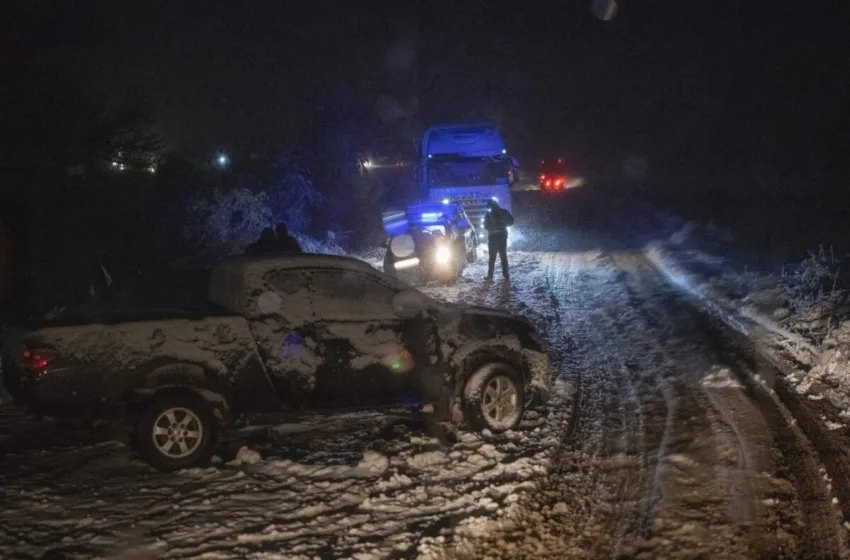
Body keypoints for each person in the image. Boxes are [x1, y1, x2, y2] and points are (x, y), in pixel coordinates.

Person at [483, 198, 514, 281]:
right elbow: (511, 221)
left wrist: (493, 227)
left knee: (492, 258)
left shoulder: (488, 214)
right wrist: (503, 224)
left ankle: (490, 276)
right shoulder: (504, 212)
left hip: (493, 237)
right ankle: (506, 275)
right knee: (503, 256)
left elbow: (485, 226)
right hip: (502, 236)